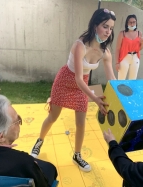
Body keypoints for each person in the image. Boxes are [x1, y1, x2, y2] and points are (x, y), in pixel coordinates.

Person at [30, 8, 117, 172]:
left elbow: (111, 78)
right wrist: (95, 97)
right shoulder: (80, 45)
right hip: (65, 80)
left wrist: (120, 94)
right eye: (105, 26)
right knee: (52, 117)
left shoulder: (105, 52)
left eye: (111, 28)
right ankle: (39, 141)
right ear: (95, 25)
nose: (108, 31)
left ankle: (77, 155)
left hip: (82, 85)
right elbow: (77, 78)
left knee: (81, 123)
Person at [115, 14, 143, 80]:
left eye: (134, 22)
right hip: (124, 57)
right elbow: (117, 49)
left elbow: (139, 49)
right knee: (121, 79)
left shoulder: (139, 33)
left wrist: (142, 43)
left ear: (136, 23)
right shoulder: (122, 33)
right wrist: (117, 62)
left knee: (133, 80)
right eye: (130, 22)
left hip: (135, 57)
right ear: (127, 23)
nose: (132, 24)